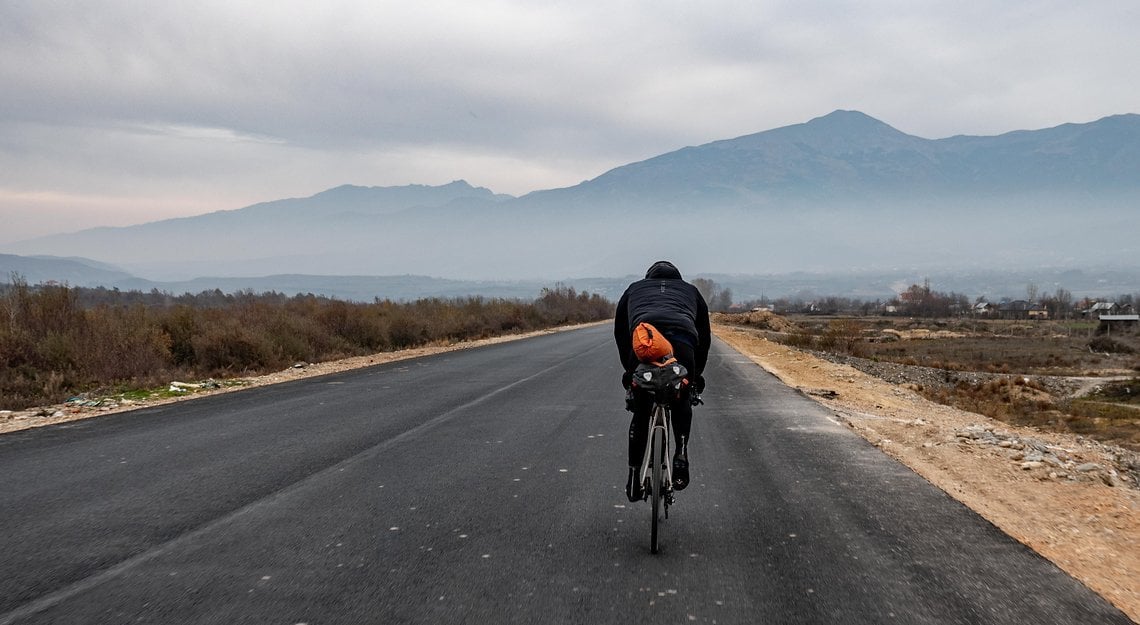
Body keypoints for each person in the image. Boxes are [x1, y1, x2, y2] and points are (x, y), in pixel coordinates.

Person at [614, 260, 711, 502]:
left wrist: (630, 372)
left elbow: (621, 333)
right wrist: (695, 376)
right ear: (678, 278)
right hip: (682, 342)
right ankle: (681, 453)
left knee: (641, 409)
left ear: (648, 277)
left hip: (645, 342)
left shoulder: (634, 289)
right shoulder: (691, 291)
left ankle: (634, 477)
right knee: (681, 398)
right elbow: (705, 338)